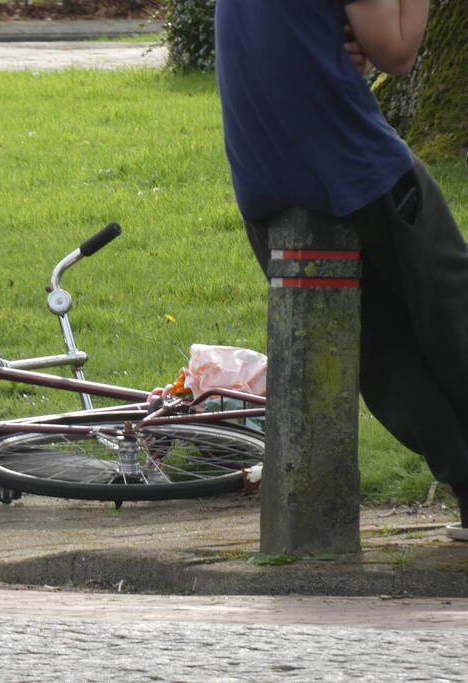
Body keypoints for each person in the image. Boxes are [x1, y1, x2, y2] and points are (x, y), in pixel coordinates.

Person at [214, 1, 468, 536]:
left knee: (383, 356)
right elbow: (396, 51)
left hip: (263, 177)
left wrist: (345, 44)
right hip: (353, 163)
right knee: (453, 311)